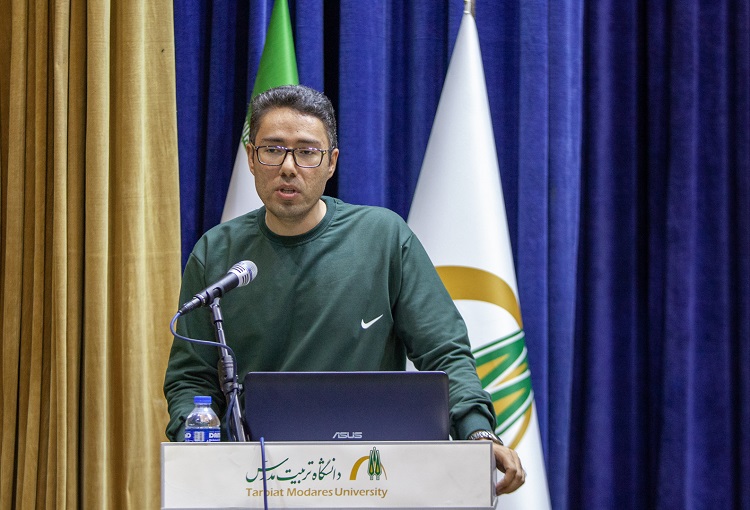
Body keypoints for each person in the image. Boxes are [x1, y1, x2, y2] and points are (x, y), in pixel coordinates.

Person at [163, 84, 525, 495]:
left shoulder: (383, 238)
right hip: (258, 481)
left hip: (371, 478)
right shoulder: (217, 252)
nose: (288, 167)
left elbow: (444, 352)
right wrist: (203, 451)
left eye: (307, 152)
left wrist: (478, 432)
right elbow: (191, 378)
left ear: (331, 162)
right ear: (250, 157)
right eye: (273, 150)